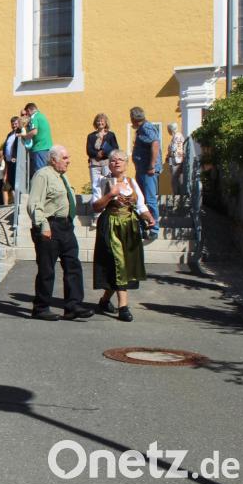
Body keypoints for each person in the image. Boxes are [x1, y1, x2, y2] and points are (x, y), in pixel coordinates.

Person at [27, 145, 95, 321]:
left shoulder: (62, 177)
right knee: (47, 269)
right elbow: (34, 204)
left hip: (65, 227)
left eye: (68, 157)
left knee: (73, 265)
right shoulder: (43, 175)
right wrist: (43, 226)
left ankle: (73, 306)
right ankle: (41, 308)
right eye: (64, 158)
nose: (68, 161)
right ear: (53, 159)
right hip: (50, 225)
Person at [91, 151, 155, 322]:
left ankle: (105, 300)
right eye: (113, 160)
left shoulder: (132, 182)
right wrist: (111, 194)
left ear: (127, 163)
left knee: (123, 264)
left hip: (130, 227)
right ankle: (123, 307)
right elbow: (96, 207)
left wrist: (149, 217)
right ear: (109, 164)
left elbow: (141, 205)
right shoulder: (102, 182)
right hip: (111, 224)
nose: (117, 162)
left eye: (120, 159)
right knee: (118, 261)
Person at [130, 106, 162, 240]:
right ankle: (145, 225)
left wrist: (152, 165)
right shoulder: (141, 129)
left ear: (134, 118)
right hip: (142, 170)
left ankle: (154, 228)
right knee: (141, 199)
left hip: (148, 171)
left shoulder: (146, 128)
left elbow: (155, 144)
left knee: (150, 199)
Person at [85, 113, 119, 190]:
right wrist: (97, 154)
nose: (100, 123)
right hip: (94, 164)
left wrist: (103, 153)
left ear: (106, 122)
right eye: (98, 121)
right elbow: (89, 150)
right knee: (95, 186)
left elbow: (115, 149)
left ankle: (108, 201)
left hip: (106, 163)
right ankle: (97, 201)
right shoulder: (91, 136)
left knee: (108, 185)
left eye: (102, 121)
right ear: (95, 123)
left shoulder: (111, 135)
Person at [22, 102, 53, 178]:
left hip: (39, 148)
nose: (27, 116)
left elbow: (34, 132)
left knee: (40, 174)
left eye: (27, 114)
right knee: (46, 173)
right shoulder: (42, 116)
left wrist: (24, 136)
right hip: (47, 147)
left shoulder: (34, 117)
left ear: (29, 110)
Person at [2, 116, 23, 200]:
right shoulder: (10, 134)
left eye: (15, 123)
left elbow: (17, 146)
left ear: (18, 124)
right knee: (11, 181)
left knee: (15, 180)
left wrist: (15, 156)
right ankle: (15, 201)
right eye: (12, 124)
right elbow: (6, 145)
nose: (14, 125)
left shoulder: (20, 133)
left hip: (15, 160)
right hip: (9, 161)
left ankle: (18, 200)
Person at [166, 122, 186, 195]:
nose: (168, 131)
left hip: (176, 161)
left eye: (168, 129)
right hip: (176, 160)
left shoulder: (177, 136)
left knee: (175, 179)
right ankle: (179, 194)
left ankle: (177, 195)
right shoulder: (177, 136)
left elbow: (174, 149)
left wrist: (168, 155)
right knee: (177, 179)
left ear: (171, 129)